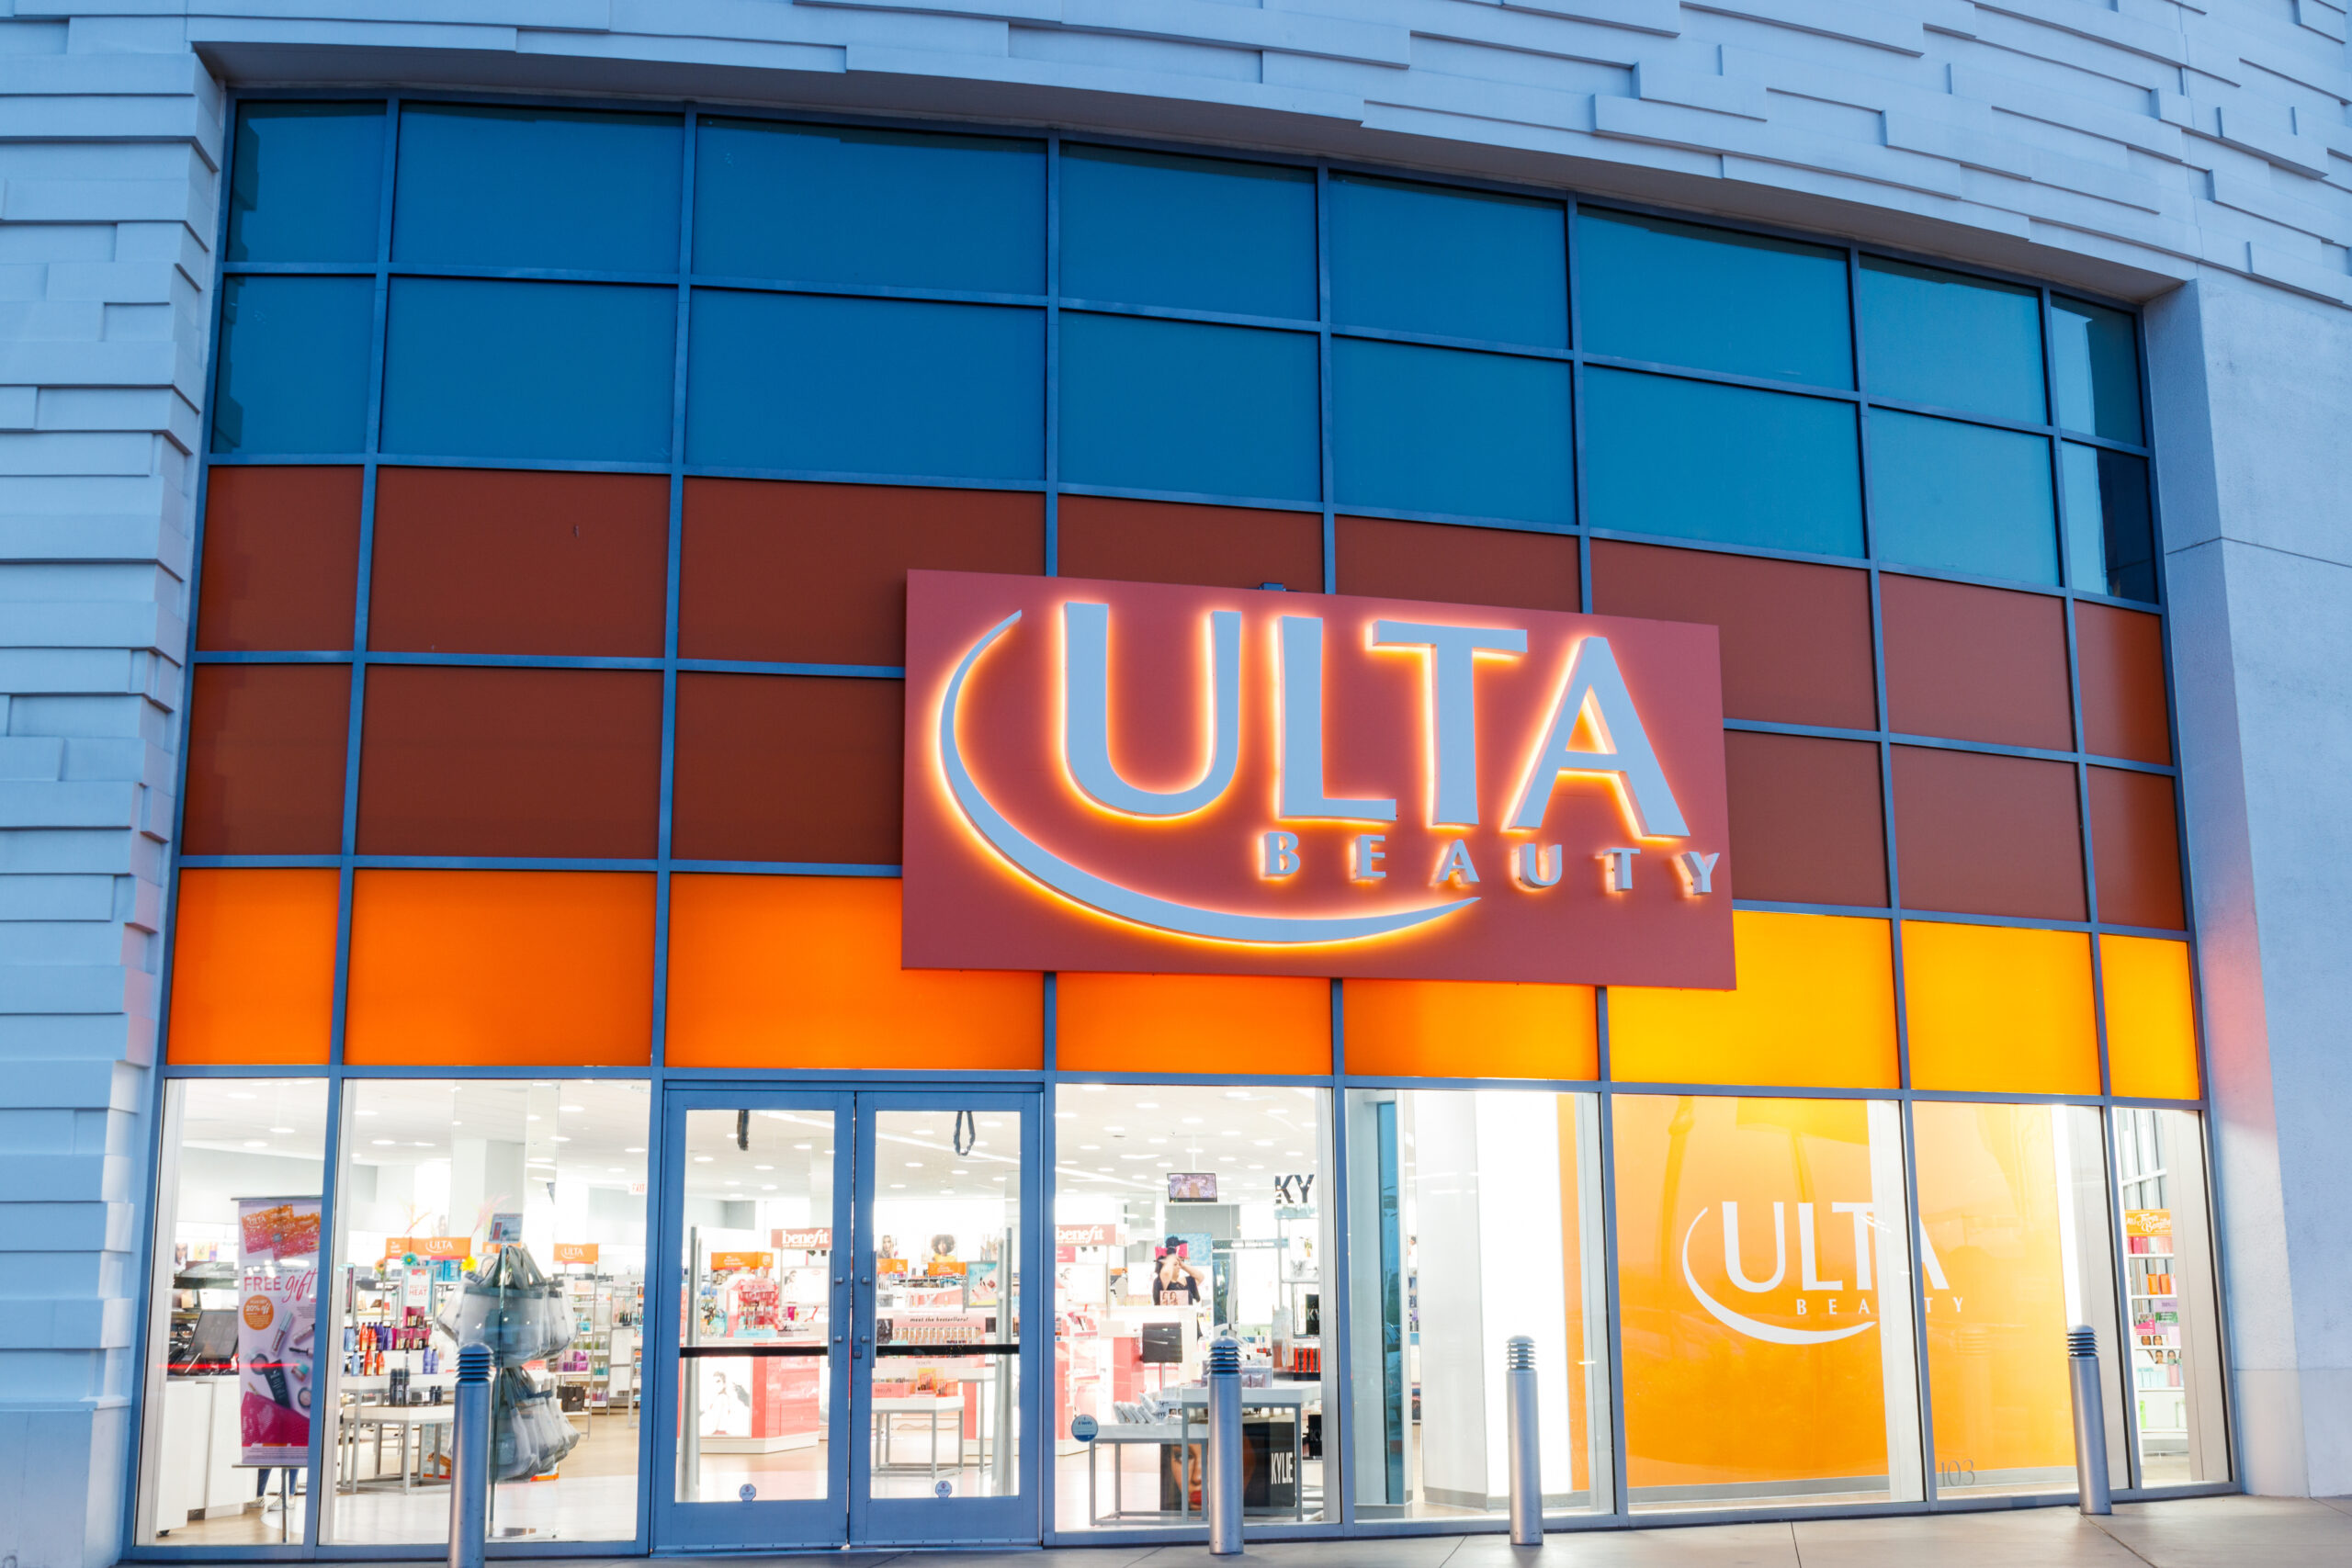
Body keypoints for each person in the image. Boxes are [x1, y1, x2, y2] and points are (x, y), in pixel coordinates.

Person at [1152, 1239, 1203, 1306]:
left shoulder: (1185, 1281)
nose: (1179, 1267)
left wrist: (1183, 1266)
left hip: (1188, 1313)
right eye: (1175, 1264)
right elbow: (1166, 1273)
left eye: (1178, 1264)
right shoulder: (1161, 1282)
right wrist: (1171, 1255)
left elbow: (1200, 1277)